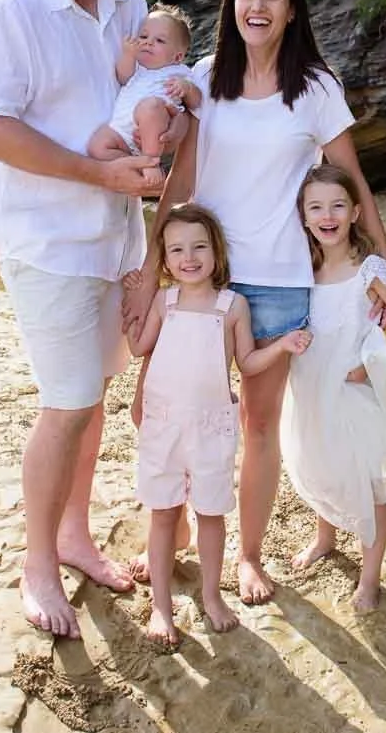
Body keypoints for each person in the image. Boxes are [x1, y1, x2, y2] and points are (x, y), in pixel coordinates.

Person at [0, 0, 180, 640]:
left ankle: (75, 534)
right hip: (46, 239)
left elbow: (150, 90)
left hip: (117, 237)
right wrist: (95, 172)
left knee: (95, 394)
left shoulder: (127, 1)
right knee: (69, 402)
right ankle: (38, 562)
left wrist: (168, 133)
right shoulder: (5, 9)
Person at [122, 0, 386, 605]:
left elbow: (352, 181)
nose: (258, 7)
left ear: (292, 9)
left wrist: (381, 271)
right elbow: (182, 179)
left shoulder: (316, 88)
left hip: (278, 280)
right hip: (200, 277)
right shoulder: (205, 77)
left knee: (257, 426)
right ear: (231, 4)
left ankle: (246, 555)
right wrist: (150, 268)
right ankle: (177, 528)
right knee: (171, 408)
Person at [127, 203, 311, 647]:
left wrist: (282, 345)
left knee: (211, 513)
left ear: (217, 252)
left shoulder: (232, 306)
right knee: (163, 512)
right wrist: (128, 304)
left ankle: (211, 595)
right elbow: (138, 348)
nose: (189, 257)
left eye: (199, 247)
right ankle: (161, 607)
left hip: (211, 427)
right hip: (164, 425)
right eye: (177, 250)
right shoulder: (164, 301)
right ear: (165, 258)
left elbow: (247, 363)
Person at [284, 164, 386, 612]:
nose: (327, 216)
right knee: (319, 461)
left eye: (337, 206)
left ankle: (369, 578)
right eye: (316, 208)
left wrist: (369, 365)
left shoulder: (369, 270)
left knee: (365, 482)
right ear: (303, 216)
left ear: (355, 212)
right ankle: (324, 537)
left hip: (349, 390)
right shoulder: (303, 267)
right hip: (308, 385)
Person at [86, 4, 200, 185]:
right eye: (144, 36)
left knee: (151, 106)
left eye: (159, 40)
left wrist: (187, 88)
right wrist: (128, 55)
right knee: (97, 146)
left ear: (177, 57)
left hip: (153, 128)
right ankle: (135, 165)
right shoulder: (138, 68)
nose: (148, 42)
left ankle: (150, 161)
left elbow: (197, 103)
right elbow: (123, 77)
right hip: (121, 130)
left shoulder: (179, 72)